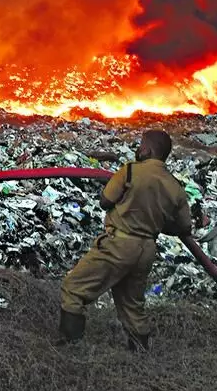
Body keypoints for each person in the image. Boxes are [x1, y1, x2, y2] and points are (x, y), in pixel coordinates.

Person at [57, 129, 205, 350]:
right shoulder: (175, 186)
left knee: (74, 288)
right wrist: (153, 216)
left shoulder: (130, 172)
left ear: (148, 149)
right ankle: (140, 355)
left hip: (119, 244)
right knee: (132, 305)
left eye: (141, 144)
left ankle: (70, 347)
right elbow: (183, 227)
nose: (138, 148)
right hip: (146, 250)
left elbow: (105, 201)